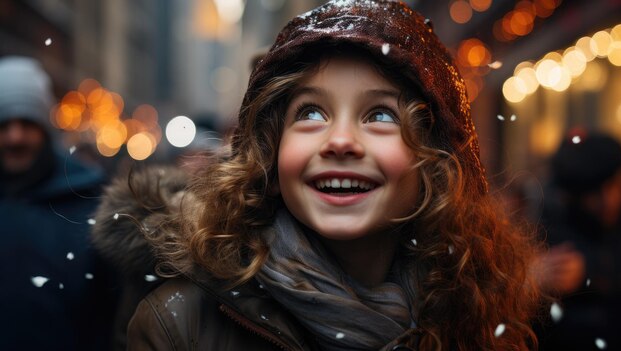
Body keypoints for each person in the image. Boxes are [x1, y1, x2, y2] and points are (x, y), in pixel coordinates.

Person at [93, 1, 544, 350]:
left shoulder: (479, 317)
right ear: (269, 155)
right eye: (311, 112)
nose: (340, 141)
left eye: (381, 115)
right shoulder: (180, 325)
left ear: (434, 160)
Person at [0, 56, 116, 350]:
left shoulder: (88, 203)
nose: (15, 137)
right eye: (4, 125)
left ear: (45, 129)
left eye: (27, 123)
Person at [536, 131, 621, 350]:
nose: (608, 200)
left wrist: (589, 268)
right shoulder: (547, 227)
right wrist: (535, 280)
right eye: (595, 191)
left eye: (614, 186)